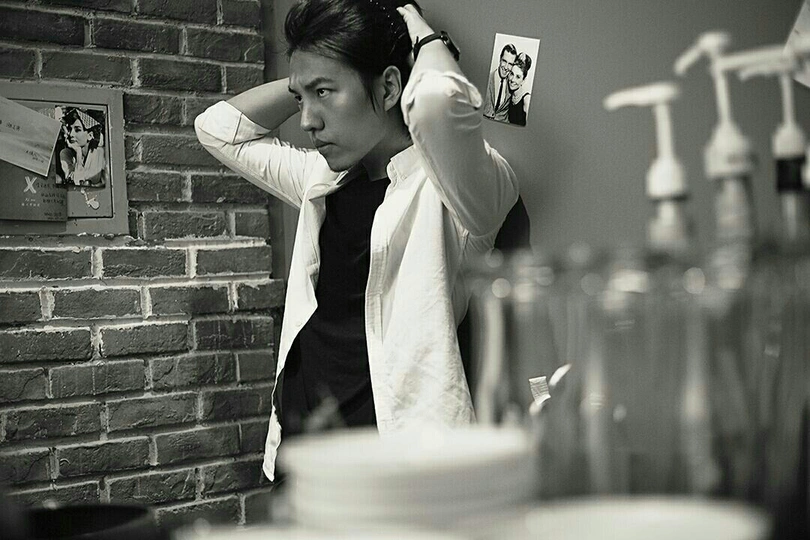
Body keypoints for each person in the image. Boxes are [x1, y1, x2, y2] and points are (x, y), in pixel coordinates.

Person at [195, 0, 518, 482]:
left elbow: (436, 105)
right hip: (300, 452)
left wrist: (418, 32)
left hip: (397, 468)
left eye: (324, 93)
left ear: (388, 87)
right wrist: (310, 76)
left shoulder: (456, 195)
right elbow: (217, 131)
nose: (307, 120)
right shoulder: (319, 179)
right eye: (301, 98)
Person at [58, 107, 106, 187]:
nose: (71, 134)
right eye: (70, 129)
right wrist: (78, 153)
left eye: (77, 130)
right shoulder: (66, 154)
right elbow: (76, 183)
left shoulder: (102, 154)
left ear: (90, 135)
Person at [482, 43, 517, 122]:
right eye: (504, 61)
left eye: (510, 64)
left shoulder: (512, 85)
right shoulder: (486, 78)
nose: (506, 67)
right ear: (500, 59)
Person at [507, 52, 532, 127]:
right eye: (512, 74)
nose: (512, 80)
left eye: (518, 77)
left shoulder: (526, 99)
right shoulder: (509, 95)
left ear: (523, 80)